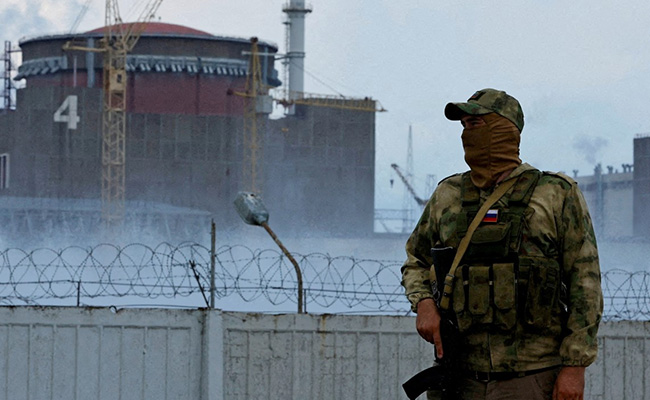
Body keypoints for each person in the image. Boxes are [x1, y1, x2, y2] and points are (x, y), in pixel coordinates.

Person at [401, 88, 603, 400]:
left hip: (532, 376)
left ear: (504, 129)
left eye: (475, 124)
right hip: (461, 376)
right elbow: (416, 259)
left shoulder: (555, 193)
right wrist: (423, 303)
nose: (467, 133)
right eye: (463, 126)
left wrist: (574, 367)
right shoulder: (448, 194)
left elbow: (584, 283)